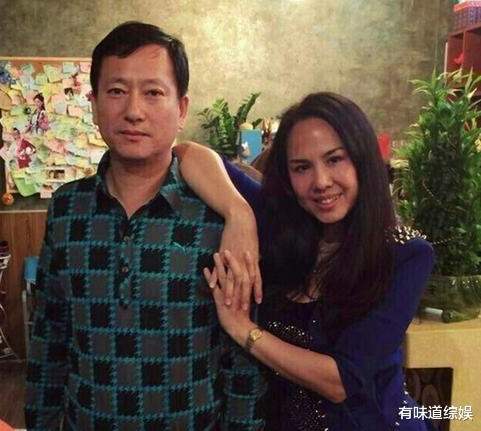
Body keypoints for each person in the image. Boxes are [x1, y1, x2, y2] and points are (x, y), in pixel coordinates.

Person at [24, 21, 265, 431]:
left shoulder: (216, 217)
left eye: (153, 93)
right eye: (116, 91)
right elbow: (50, 338)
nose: (134, 111)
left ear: (181, 109)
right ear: (94, 103)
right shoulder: (66, 208)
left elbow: (241, 359)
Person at [174, 92, 436, 430]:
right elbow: (187, 152)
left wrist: (244, 330)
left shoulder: (405, 254)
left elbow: (341, 381)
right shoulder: (281, 223)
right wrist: (238, 214)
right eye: (302, 167)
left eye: (335, 159)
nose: (321, 182)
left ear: (363, 161)